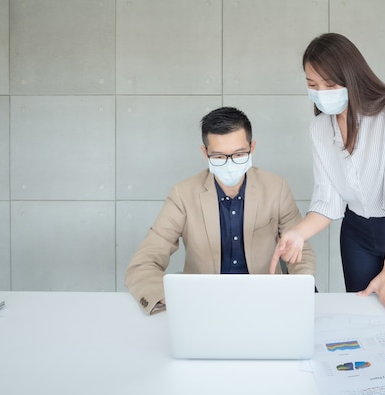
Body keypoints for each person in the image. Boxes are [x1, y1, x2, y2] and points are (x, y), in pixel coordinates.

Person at [270, 33, 385, 319]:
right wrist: (297, 234)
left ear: (352, 76)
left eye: (330, 84)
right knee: (362, 317)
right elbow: (328, 201)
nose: (321, 93)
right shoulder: (319, 129)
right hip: (356, 233)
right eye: (312, 85)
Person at [126, 106, 316, 314]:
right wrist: (171, 300)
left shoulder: (276, 188)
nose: (229, 163)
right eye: (218, 157)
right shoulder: (183, 194)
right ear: (204, 153)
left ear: (252, 148)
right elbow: (143, 262)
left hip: (264, 301)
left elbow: (301, 252)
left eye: (239, 154)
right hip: (203, 305)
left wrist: (298, 294)